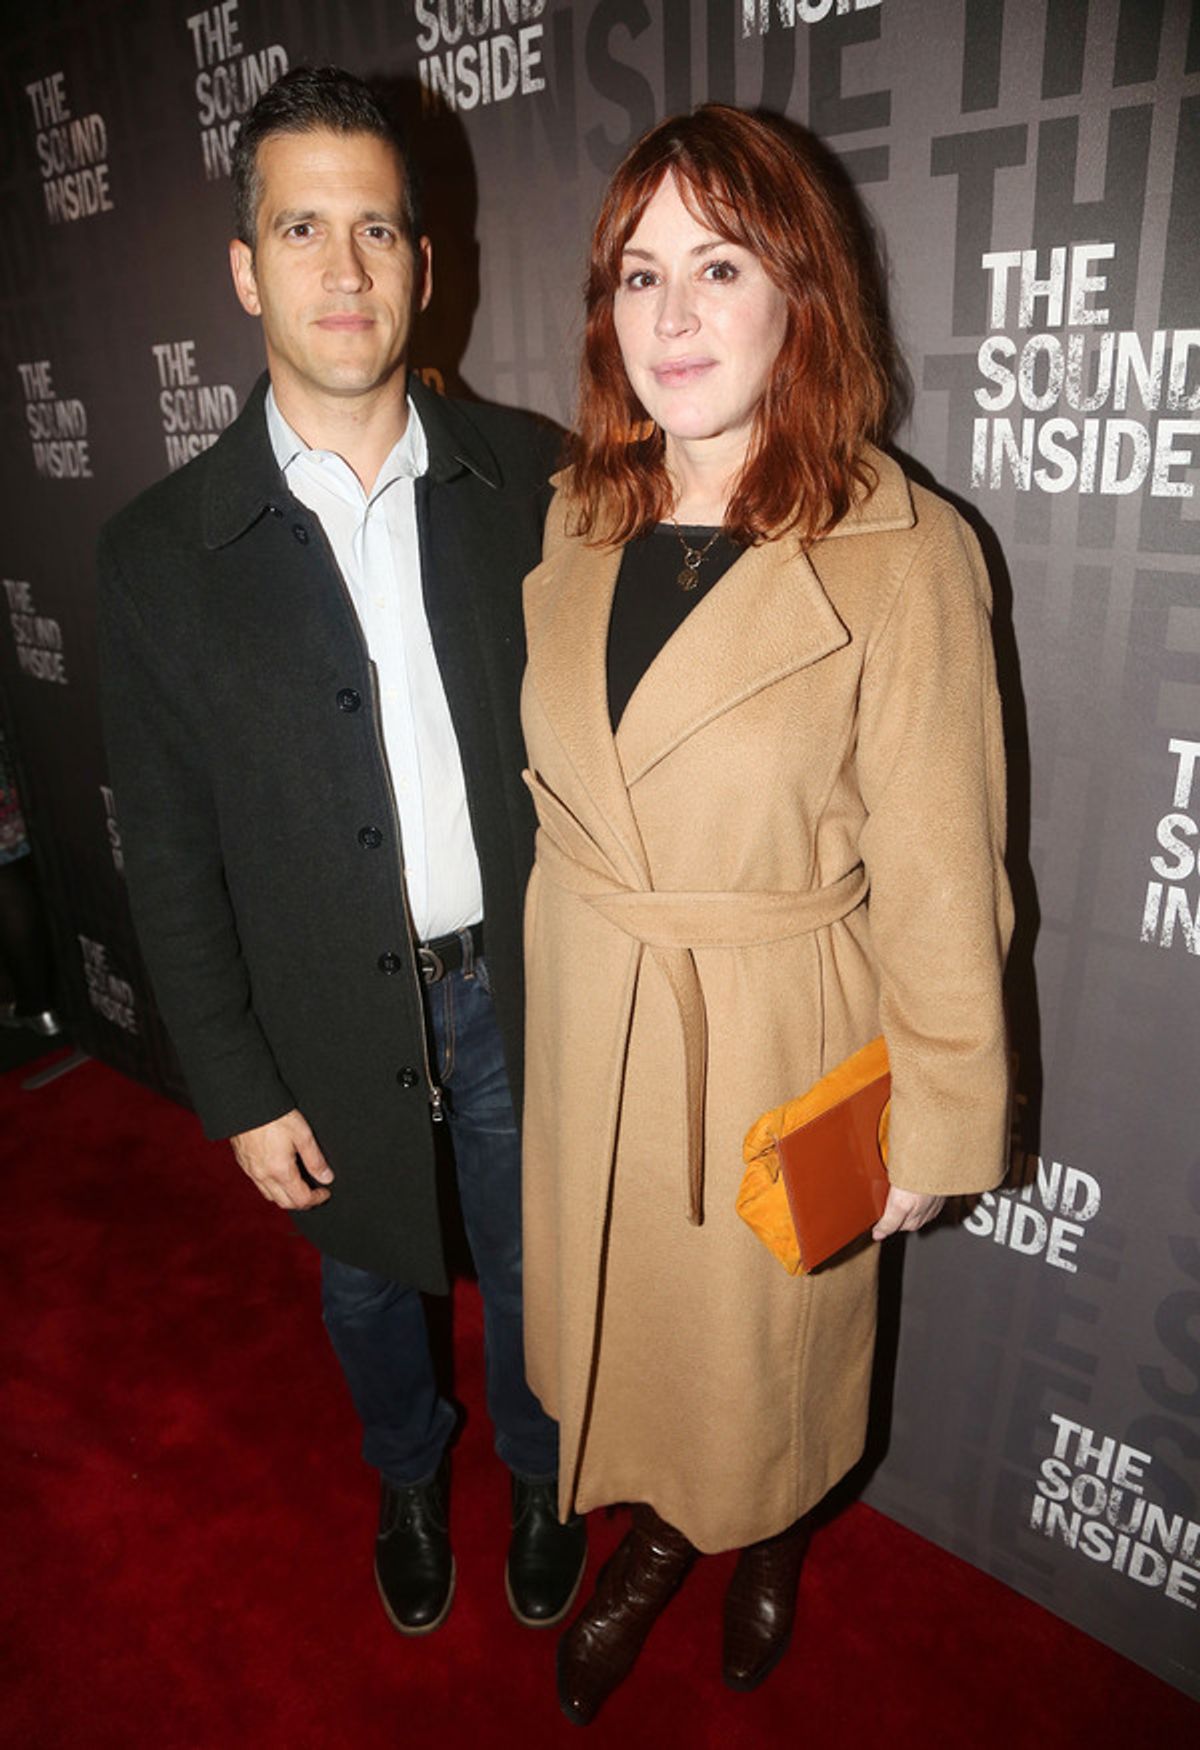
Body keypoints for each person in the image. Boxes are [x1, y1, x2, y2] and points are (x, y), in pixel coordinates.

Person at [519, 105, 1012, 1723]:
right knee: (645, 1340)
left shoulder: (906, 549)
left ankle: (766, 1533)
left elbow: (949, 870)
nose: (669, 316)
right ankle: (660, 1532)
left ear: (803, 289)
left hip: (777, 1028)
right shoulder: (577, 512)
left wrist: (939, 1122)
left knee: (766, 1360)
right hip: (603, 1019)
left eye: (717, 266)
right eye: (638, 272)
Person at [98, 66, 585, 1639]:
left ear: (424, 264)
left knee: (535, 1270)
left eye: (378, 227)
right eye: (301, 228)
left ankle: (542, 1469)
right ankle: (407, 1473)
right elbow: (163, 849)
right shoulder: (161, 554)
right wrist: (234, 1084)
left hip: (521, 990)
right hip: (317, 1007)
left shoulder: (539, 482)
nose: (344, 269)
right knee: (372, 1282)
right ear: (246, 268)